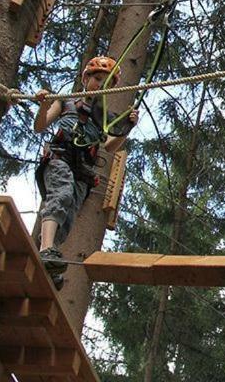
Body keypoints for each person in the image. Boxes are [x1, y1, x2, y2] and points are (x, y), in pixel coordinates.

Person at [32, 55, 138, 288]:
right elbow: (40, 126)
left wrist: (127, 128)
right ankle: (46, 249)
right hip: (60, 157)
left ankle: (49, 259)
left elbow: (109, 146)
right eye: (98, 79)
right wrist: (43, 105)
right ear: (86, 79)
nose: (101, 85)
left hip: (83, 169)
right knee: (61, 195)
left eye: (106, 82)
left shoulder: (106, 117)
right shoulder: (66, 101)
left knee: (68, 215)